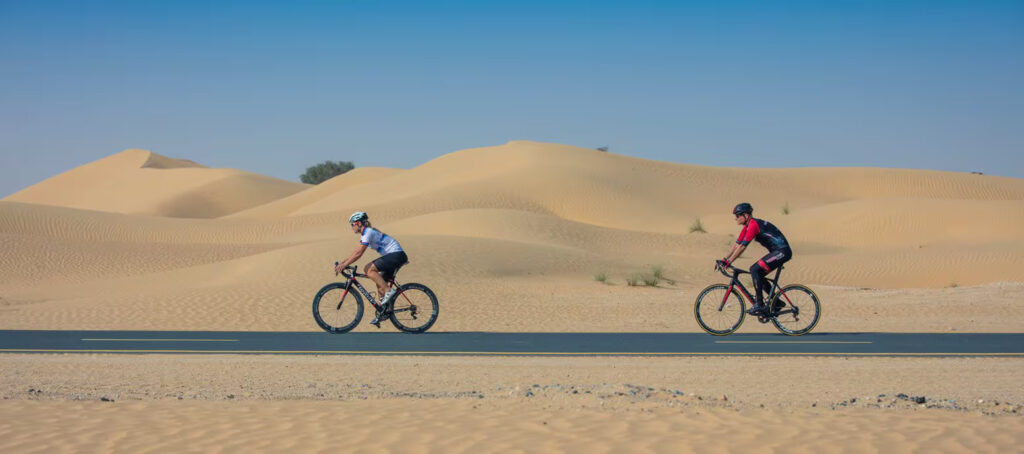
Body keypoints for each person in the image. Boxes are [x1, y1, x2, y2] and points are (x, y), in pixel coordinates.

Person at [717, 202, 792, 315]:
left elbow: (742, 247)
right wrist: (724, 260)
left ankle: (760, 305)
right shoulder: (747, 227)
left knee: (755, 270)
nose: (735, 218)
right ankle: (777, 303)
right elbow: (736, 245)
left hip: (782, 251)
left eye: (737, 216)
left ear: (746, 215)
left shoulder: (753, 225)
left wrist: (729, 262)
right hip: (778, 251)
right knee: (758, 273)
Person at [334, 211, 409, 325]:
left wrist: (344, 265)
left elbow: (359, 253)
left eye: (352, 224)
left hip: (396, 255)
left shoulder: (368, 232)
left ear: (358, 223)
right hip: (395, 256)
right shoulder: (366, 234)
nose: (351, 227)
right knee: (380, 284)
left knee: (368, 269)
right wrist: (343, 262)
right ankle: (382, 312)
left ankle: (389, 291)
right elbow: (355, 251)